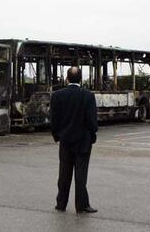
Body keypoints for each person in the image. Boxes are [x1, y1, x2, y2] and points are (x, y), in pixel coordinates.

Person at [50, 66, 98, 213]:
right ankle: (82, 205)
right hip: (83, 141)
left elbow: (54, 119)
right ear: (81, 79)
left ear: (67, 79)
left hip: (65, 140)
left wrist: (57, 135)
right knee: (81, 174)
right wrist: (92, 134)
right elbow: (91, 120)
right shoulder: (88, 95)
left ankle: (61, 203)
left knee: (64, 174)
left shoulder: (57, 95)